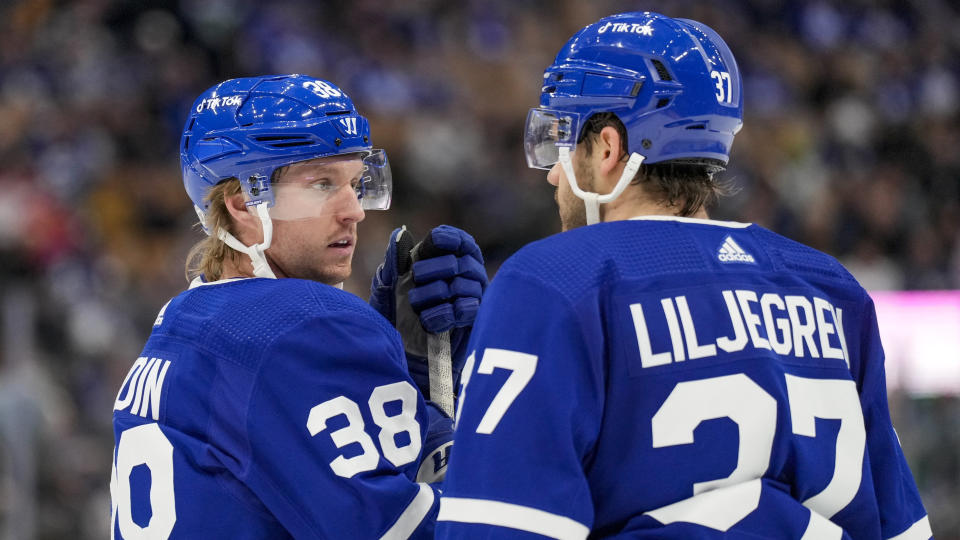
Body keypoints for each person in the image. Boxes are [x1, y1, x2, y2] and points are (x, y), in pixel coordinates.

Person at [436, 12, 931, 540]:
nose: (554, 172)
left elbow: (495, 530)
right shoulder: (831, 288)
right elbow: (902, 529)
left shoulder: (552, 282)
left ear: (607, 148)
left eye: (560, 142)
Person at [109, 74, 485, 539]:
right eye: (323, 184)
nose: (354, 211)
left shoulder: (183, 319)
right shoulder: (300, 323)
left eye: (355, 181)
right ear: (244, 202)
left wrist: (404, 382)